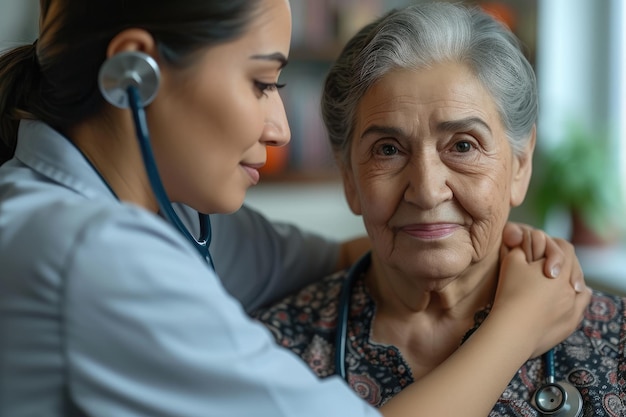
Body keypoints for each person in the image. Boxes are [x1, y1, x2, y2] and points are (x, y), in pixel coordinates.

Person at [0, 1, 590, 417]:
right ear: (136, 73)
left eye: (464, 147)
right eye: (262, 82)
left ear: (521, 161)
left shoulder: (179, 221)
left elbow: (340, 250)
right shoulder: (95, 255)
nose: (280, 128)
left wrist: (493, 233)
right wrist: (517, 325)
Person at [254, 2, 622, 416]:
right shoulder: (271, 352)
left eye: (463, 145)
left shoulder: (617, 343)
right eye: (388, 150)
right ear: (348, 178)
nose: (427, 192)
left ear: (520, 165)